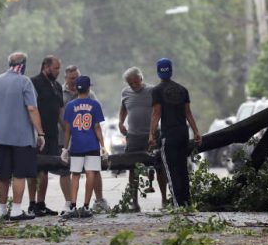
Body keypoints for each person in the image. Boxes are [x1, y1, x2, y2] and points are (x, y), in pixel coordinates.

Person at [0, 52, 45, 221]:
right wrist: (40, 133)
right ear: (23, 64)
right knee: (19, 174)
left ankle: (2, 210)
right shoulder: (24, 81)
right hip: (21, 138)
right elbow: (32, 109)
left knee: (2, 175)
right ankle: (17, 210)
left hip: (0, 137)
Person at [148, 58, 202, 207]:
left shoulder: (157, 91)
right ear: (171, 70)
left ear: (158, 72)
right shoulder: (183, 90)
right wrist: (197, 132)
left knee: (171, 172)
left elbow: (156, 113)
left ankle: (178, 205)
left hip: (168, 136)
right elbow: (188, 113)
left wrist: (151, 134)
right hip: (183, 134)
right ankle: (187, 203)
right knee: (183, 169)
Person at [119, 67, 168, 211]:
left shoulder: (153, 91)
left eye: (135, 82)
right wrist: (121, 122)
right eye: (130, 83)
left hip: (152, 135)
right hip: (133, 136)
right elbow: (123, 109)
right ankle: (134, 202)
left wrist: (152, 133)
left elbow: (159, 111)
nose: (133, 86)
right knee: (132, 168)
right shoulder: (125, 93)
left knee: (159, 166)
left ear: (141, 79)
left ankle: (164, 200)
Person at [63, 65, 109, 212]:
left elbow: (68, 129)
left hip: (76, 145)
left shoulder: (70, 105)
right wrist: (103, 146)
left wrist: (65, 148)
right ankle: (86, 206)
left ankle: (73, 205)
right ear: (89, 89)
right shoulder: (94, 104)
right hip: (92, 145)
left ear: (76, 88)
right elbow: (97, 127)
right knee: (91, 173)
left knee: (75, 175)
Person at [26, 56, 64, 216]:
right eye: (55, 68)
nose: (58, 72)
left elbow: (61, 110)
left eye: (59, 69)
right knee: (34, 169)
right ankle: (32, 203)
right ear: (46, 67)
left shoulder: (57, 86)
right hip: (37, 133)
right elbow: (30, 108)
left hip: (52, 133)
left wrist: (67, 130)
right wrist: (36, 131)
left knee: (46, 169)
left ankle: (41, 204)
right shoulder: (33, 83)